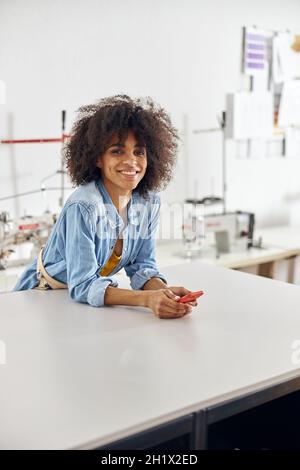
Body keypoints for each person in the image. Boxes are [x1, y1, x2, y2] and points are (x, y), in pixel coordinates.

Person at [14, 95, 197, 319]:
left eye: (139, 152)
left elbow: (142, 266)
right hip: (39, 300)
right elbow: (83, 285)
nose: (131, 161)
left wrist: (162, 292)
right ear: (97, 158)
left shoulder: (148, 201)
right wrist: (147, 300)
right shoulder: (83, 206)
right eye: (117, 151)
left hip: (79, 308)